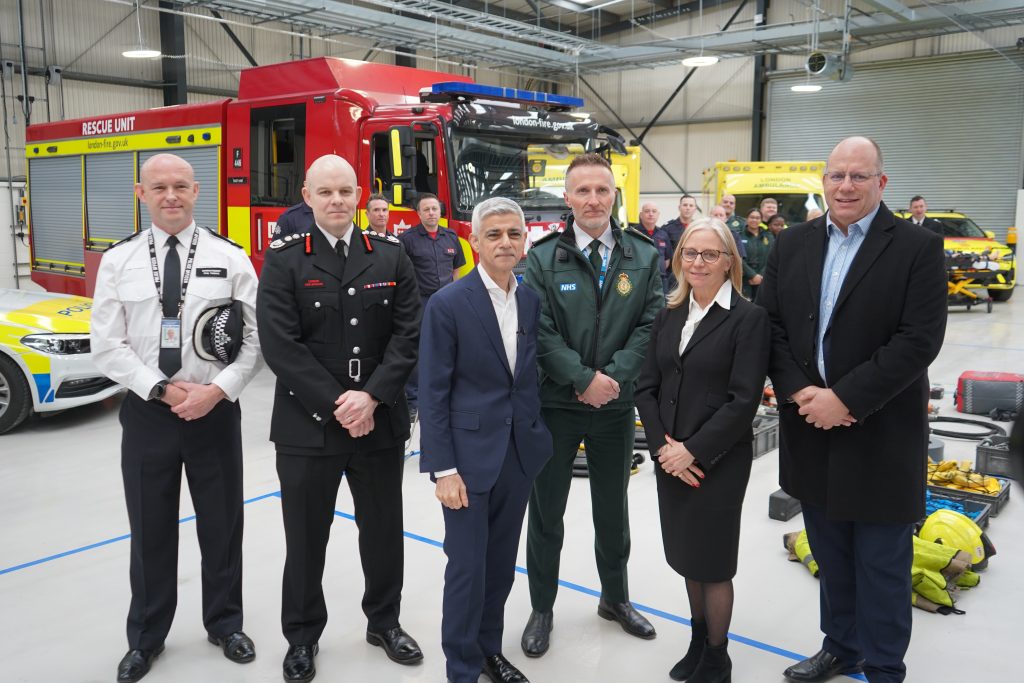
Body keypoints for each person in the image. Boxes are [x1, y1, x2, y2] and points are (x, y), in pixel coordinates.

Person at [758, 136, 947, 683]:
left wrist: (845, 398)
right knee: (831, 554)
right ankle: (840, 645)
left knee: (883, 564)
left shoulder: (917, 247)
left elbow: (918, 340)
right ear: (823, 181)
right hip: (810, 428)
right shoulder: (791, 245)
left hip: (882, 432)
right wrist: (801, 394)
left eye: (858, 176)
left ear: (881, 184)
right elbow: (768, 327)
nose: (845, 185)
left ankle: (885, 667)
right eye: (836, 175)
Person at [90, 153, 263, 683]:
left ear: (196, 192)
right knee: (150, 529)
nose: (171, 196)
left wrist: (217, 391)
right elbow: (107, 345)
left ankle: (225, 623)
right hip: (148, 415)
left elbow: (255, 340)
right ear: (141, 194)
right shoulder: (118, 261)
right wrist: (162, 390)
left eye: (181, 187)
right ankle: (146, 637)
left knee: (222, 524)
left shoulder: (230, 258)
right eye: (159, 187)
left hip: (213, 413)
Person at [256, 154, 424, 683]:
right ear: (306, 196)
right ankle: (302, 636)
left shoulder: (391, 255)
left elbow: (408, 335)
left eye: (345, 192)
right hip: (308, 425)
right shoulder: (285, 258)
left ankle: (384, 622)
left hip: (378, 421)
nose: (336, 201)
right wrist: (340, 403)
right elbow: (280, 346)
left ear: (360, 194)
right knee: (306, 536)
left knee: (382, 530)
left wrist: (371, 398)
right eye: (325, 192)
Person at [520, 153, 664, 657]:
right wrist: (582, 379)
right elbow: (536, 330)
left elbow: (651, 324)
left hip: (616, 410)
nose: (593, 200)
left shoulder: (644, 256)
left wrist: (614, 379)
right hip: (556, 406)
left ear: (614, 194)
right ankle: (541, 607)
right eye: (583, 191)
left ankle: (615, 598)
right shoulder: (540, 259)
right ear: (568, 198)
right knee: (547, 512)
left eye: (602, 190)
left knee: (613, 508)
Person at [420, 197, 554, 683]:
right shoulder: (448, 304)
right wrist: (443, 469)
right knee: (466, 570)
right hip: (466, 462)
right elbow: (432, 390)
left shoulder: (530, 299)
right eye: (493, 234)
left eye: (513, 234)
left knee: (499, 566)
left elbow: (524, 377)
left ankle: (487, 651)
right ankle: (461, 667)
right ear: (473, 241)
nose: (505, 242)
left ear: (525, 241)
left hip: (517, 456)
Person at [635, 216, 769, 683]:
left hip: (716, 460)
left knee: (712, 562)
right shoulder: (669, 312)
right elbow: (646, 385)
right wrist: (662, 448)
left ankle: (717, 654)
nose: (698, 262)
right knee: (687, 554)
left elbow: (743, 400)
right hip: (670, 458)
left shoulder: (748, 320)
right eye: (690, 253)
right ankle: (697, 638)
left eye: (710, 254)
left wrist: (692, 451)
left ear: (728, 262)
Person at [398, 192, 467, 415]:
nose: (431, 213)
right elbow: (403, 274)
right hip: (421, 301)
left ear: (440, 212)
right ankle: (414, 399)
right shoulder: (407, 240)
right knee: (418, 348)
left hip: (447, 300)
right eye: (426, 209)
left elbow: (456, 268)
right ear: (418, 213)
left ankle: (448, 392)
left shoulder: (451, 237)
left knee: (449, 345)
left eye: (434, 209)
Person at [632, 201, 672, 294]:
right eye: (647, 211)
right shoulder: (632, 233)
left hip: (660, 281)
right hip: (639, 280)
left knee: (662, 307)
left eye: (654, 211)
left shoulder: (663, 234)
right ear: (641, 215)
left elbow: (667, 260)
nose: (651, 214)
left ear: (658, 215)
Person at [737, 208, 770, 300]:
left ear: (761, 220)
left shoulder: (767, 236)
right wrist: (752, 275)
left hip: (762, 280)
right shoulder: (739, 236)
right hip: (744, 279)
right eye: (752, 217)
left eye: (757, 218)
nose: (754, 220)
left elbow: (771, 258)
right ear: (747, 219)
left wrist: (760, 276)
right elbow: (738, 257)